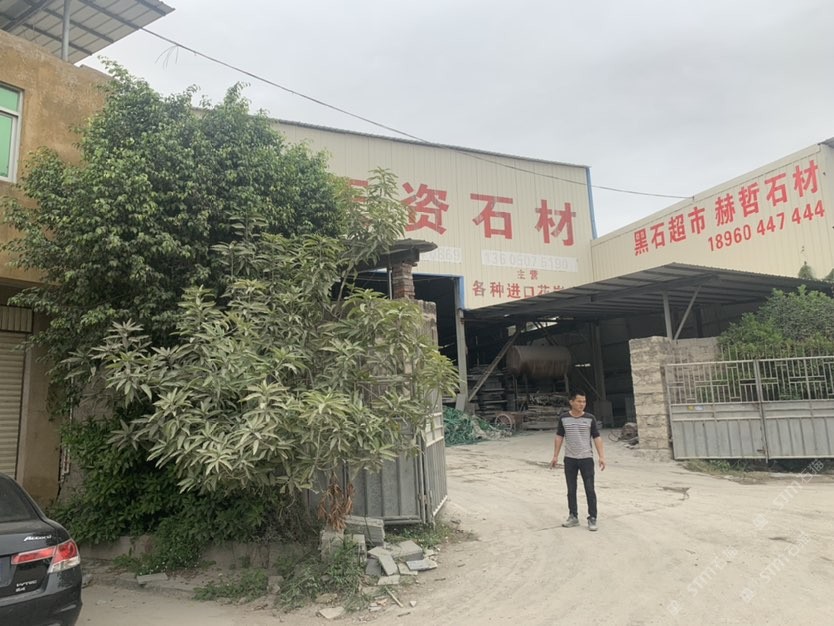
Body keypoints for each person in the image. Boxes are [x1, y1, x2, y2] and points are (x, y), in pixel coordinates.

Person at [549, 391, 606, 531]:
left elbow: (596, 437)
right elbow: (559, 436)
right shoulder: (564, 418)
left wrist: (601, 456)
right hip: (570, 459)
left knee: (590, 489)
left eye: (584, 402)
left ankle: (592, 518)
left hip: (586, 458)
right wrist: (555, 456)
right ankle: (573, 516)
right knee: (571, 489)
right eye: (579, 401)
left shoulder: (590, 418)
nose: (582, 404)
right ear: (571, 402)